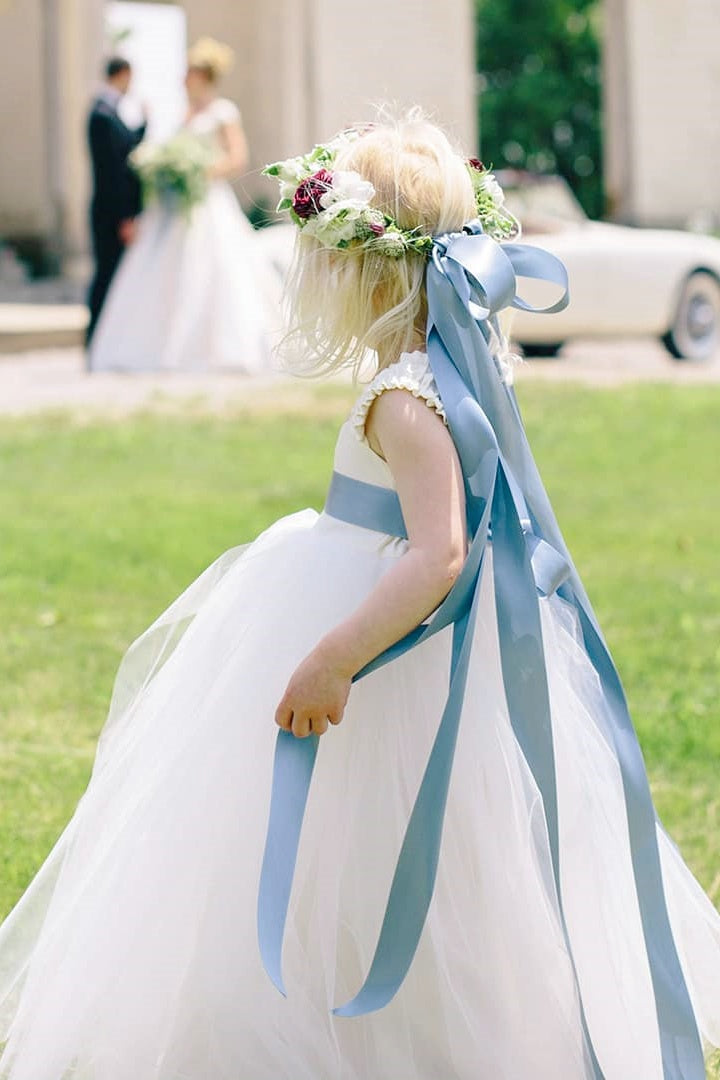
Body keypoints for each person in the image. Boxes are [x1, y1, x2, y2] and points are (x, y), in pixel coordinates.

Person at [0, 114, 719, 1079]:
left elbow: (439, 554)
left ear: (368, 273)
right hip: (397, 630)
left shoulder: (404, 399)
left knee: (355, 845)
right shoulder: (450, 374)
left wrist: (333, 657)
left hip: (378, 647)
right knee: (407, 853)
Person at [88, 38, 278, 375]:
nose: (183, 78)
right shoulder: (183, 113)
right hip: (177, 203)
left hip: (208, 199)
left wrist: (200, 171)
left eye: (189, 72)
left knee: (217, 268)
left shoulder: (223, 112)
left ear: (204, 76)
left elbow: (237, 158)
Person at [86, 57, 147, 347]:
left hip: (112, 211)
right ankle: (95, 336)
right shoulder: (102, 114)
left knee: (113, 274)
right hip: (109, 213)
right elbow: (114, 171)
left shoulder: (109, 112)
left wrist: (145, 124)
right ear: (122, 74)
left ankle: (102, 338)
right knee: (107, 274)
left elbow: (126, 145)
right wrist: (125, 217)